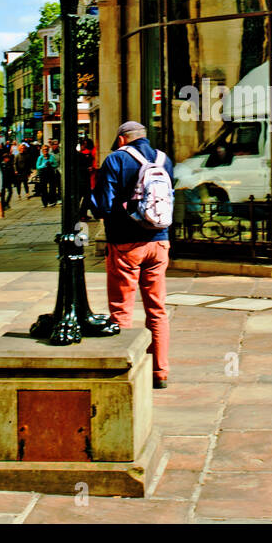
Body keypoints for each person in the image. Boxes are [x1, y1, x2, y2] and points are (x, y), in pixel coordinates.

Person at [91, 121, 174, 389]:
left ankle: (125, 369)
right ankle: (160, 371)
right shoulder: (164, 159)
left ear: (121, 140)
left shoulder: (116, 159)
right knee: (157, 308)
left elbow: (103, 205)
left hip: (126, 244)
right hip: (159, 242)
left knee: (121, 309)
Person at [37, 143, 60, 207]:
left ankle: (51, 201)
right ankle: (45, 202)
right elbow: (37, 166)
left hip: (50, 173)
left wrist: (51, 164)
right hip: (43, 173)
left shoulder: (51, 157)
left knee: (52, 187)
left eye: (46, 149)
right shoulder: (40, 158)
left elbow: (56, 164)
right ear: (42, 150)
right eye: (44, 150)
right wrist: (43, 165)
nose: (45, 151)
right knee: (43, 188)